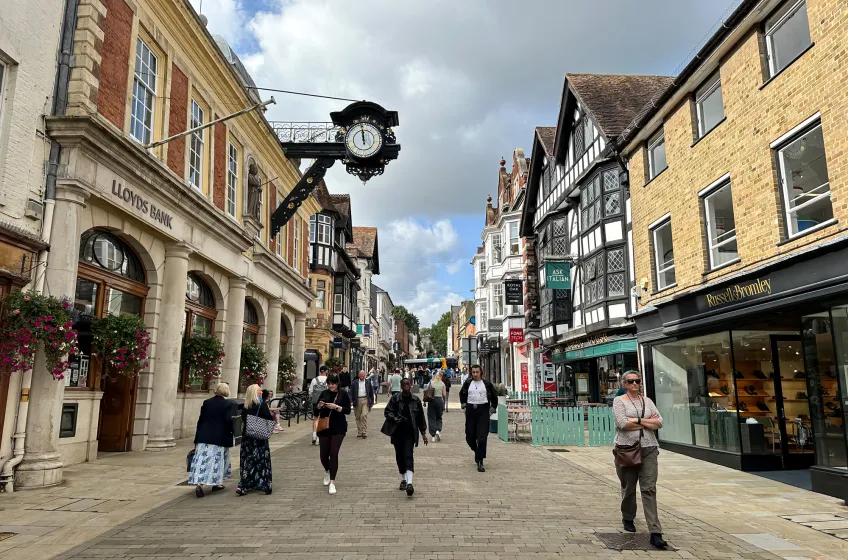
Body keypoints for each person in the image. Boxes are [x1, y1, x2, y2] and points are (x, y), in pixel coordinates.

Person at [613, 370, 667, 550]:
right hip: (626, 450)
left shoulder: (648, 401)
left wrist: (636, 420)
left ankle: (655, 532)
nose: (634, 384)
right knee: (628, 488)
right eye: (630, 381)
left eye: (637, 381)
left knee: (649, 489)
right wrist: (646, 421)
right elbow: (622, 424)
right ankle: (628, 517)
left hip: (649, 448)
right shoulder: (619, 401)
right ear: (624, 384)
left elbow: (659, 422)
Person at [189, 382, 234, 498]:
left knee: (202, 460)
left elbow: (201, 419)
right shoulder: (227, 404)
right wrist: (232, 432)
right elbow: (228, 421)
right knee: (216, 461)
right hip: (218, 437)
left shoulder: (207, 402)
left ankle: (199, 483)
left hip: (204, 435)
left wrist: (198, 435)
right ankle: (216, 483)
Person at [384, 377, 428, 496]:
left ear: (411, 385)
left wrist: (423, 433)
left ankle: (410, 483)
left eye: (408, 384)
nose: (406, 386)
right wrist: (394, 418)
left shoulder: (416, 400)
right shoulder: (395, 398)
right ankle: (403, 479)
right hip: (397, 433)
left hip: (410, 433)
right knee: (399, 456)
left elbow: (420, 418)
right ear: (401, 386)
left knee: (408, 455)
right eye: (404, 385)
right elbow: (387, 411)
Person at [314, 373, 352, 495]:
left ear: (337, 384)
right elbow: (315, 411)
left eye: (334, 384)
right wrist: (319, 406)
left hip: (338, 427)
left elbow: (348, 410)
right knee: (323, 455)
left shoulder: (343, 394)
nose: (331, 386)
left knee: (333, 453)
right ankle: (327, 470)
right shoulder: (324, 393)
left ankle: (332, 482)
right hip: (324, 427)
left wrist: (336, 407)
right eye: (329, 384)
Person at [459, 364, 498, 472]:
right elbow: (462, 395)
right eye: (473, 372)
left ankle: (480, 461)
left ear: (481, 372)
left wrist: (491, 410)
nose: (475, 374)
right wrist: (464, 406)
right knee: (470, 436)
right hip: (471, 411)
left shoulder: (487, 384)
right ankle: (477, 451)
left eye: (477, 372)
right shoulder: (468, 383)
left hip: (483, 411)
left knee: (482, 437)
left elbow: (494, 399)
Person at [236, 384, 273, 496]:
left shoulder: (246, 405)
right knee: (260, 460)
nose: (261, 392)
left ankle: (245, 483)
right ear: (255, 392)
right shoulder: (262, 404)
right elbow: (268, 418)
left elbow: (244, 419)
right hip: (259, 437)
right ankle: (262, 484)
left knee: (248, 459)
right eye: (259, 390)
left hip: (247, 436)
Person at [350, 369, 376, 438]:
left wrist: (372, 402)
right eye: (360, 374)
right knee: (358, 417)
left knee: (364, 415)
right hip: (357, 400)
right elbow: (351, 392)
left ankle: (364, 432)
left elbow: (371, 392)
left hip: (365, 400)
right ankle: (360, 431)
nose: (361, 376)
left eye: (363, 374)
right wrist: (351, 401)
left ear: (365, 375)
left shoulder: (368, 382)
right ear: (358, 375)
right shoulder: (354, 383)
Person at [309, 365, 329, 445]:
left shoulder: (314, 379)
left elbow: (310, 391)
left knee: (316, 418)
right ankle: (319, 437)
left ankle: (314, 435)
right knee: (323, 419)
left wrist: (312, 398)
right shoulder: (328, 380)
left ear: (320, 371)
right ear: (326, 371)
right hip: (324, 402)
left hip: (315, 402)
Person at [427, 372, 447, 441]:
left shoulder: (430, 383)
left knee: (431, 418)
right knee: (439, 416)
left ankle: (433, 435)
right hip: (439, 400)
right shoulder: (442, 384)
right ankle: (438, 430)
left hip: (432, 400)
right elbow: (444, 394)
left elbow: (427, 391)